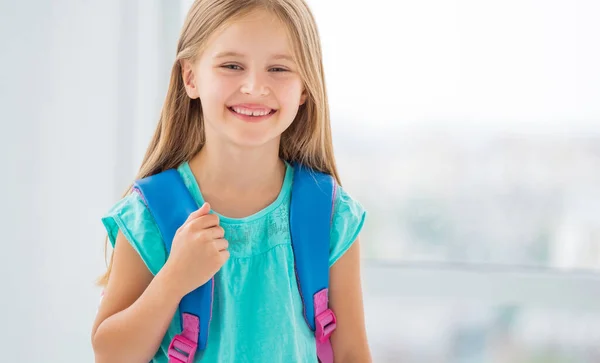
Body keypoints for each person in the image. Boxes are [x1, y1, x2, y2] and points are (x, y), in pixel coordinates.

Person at [91, 1, 371, 362]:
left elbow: (351, 353)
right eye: (232, 66)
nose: (255, 86)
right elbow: (111, 355)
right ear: (190, 78)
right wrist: (174, 278)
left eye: (279, 68)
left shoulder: (329, 214)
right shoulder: (150, 215)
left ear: (305, 88)